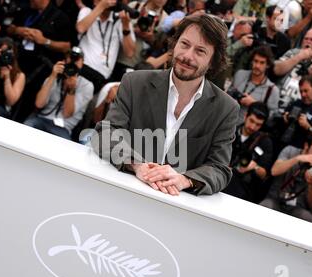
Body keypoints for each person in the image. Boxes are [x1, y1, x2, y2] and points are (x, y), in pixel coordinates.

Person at [91, 14, 239, 196]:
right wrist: (137, 165)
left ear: (213, 61)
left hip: (176, 207)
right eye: (184, 44)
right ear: (174, 44)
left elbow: (219, 169)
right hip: (123, 191)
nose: (187, 56)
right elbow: (105, 133)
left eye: (200, 51)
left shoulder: (226, 108)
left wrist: (184, 179)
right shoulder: (134, 83)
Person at [23, 47, 94, 140]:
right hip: (43, 119)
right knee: (26, 127)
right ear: (64, 60)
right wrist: (52, 76)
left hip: (63, 127)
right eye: (71, 58)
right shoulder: (54, 77)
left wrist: (71, 90)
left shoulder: (87, 86)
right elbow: (39, 104)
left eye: (77, 59)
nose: (73, 62)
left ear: (82, 63)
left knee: (64, 145)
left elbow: (67, 114)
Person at [260, 132, 312, 222]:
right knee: (264, 206)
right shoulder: (290, 151)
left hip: (297, 208)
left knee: (309, 219)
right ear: (306, 146)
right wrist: (297, 159)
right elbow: (274, 171)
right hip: (275, 199)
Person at [223, 102, 273, 203]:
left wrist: (254, 166)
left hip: (244, 188)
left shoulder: (265, 142)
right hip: (222, 177)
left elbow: (264, 174)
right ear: (246, 116)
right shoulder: (230, 131)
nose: (253, 127)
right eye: (251, 121)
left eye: (258, 124)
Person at [229, 45, 279, 125]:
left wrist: (254, 104)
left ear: (268, 65)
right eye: (255, 61)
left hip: (248, 130)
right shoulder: (240, 74)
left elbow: (272, 118)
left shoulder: (272, 90)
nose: (257, 66)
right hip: (227, 122)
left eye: (262, 63)